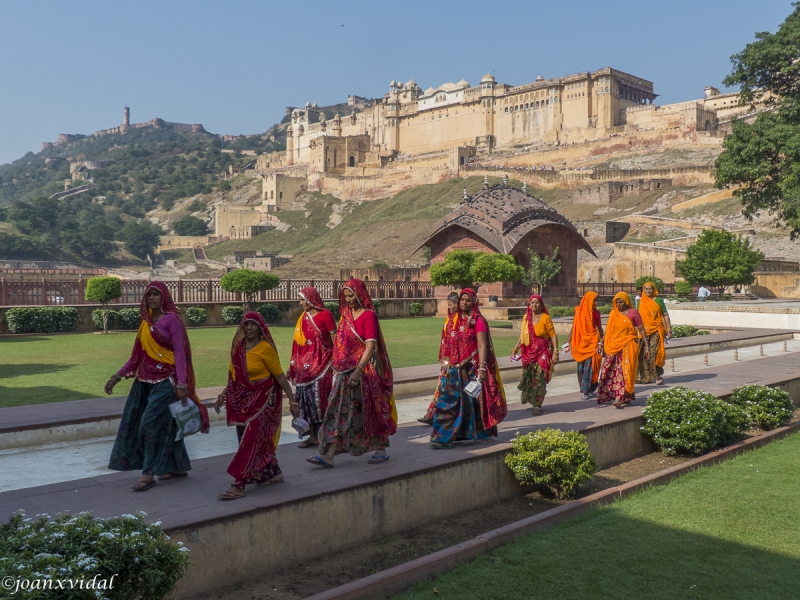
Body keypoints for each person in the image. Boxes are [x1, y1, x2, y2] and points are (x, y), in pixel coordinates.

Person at [105, 281, 210, 492]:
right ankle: (177, 466)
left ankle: (148, 472)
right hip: (144, 381)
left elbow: (180, 353)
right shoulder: (145, 323)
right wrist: (118, 375)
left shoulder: (172, 320)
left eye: (156, 294)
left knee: (149, 422)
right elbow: (137, 355)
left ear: (164, 297)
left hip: (167, 380)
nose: (152, 298)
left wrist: (182, 384)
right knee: (165, 425)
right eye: (149, 295)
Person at [307, 279, 396, 467]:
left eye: (352, 295)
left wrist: (359, 370)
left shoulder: (368, 316)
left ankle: (380, 448)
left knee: (370, 411)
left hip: (362, 373)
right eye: (346, 296)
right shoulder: (345, 316)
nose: (348, 299)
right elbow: (340, 344)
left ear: (360, 295)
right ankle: (329, 454)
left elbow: (370, 345)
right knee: (336, 410)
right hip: (343, 373)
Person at [215, 312, 297, 500]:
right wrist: (223, 394)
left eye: (253, 324)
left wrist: (292, 401)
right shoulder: (239, 348)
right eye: (246, 324)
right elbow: (235, 376)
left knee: (250, 442)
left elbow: (280, 376)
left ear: (261, 328)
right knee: (246, 438)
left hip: (262, 400)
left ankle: (239, 484)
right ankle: (270, 473)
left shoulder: (265, 349)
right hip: (241, 401)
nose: (249, 328)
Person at [429, 288, 507, 448]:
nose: (464, 302)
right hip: (452, 368)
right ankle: (442, 437)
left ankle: (483, 433)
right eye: (462, 299)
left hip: (472, 368)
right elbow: (448, 342)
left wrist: (483, 368)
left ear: (474, 302)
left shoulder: (478, 320)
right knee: (448, 402)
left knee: (474, 403)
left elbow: (482, 344)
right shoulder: (454, 319)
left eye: (467, 300)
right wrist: (445, 363)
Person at [288, 287, 337, 447]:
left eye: (303, 300)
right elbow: (299, 344)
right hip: (305, 368)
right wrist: (293, 366)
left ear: (311, 299)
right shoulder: (303, 317)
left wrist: (337, 361)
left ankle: (325, 436)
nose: (301, 303)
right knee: (305, 401)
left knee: (320, 401)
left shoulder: (325, 315)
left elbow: (335, 339)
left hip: (323, 365)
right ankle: (312, 436)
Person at [597, 292, 648, 409]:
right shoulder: (613, 314)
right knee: (607, 371)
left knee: (624, 372)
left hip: (627, 347)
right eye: (617, 302)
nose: (619, 304)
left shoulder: (633, 313)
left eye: (621, 302)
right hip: (613, 347)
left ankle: (619, 398)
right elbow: (608, 331)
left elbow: (642, 329)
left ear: (626, 301)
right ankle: (613, 396)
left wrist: (647, 346)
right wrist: (601, 343)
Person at [511, 294, 558, 415]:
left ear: (541, 305)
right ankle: (529, 396)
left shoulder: (545, 318)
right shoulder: (527, 317)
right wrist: (516, 348)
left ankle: (538, 404)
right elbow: (523, 334)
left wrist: (555, 352)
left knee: (539, 377)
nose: (534, 305)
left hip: (542, 350)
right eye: (532, 303)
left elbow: (553, 334)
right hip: (528, 352)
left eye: (537, 303)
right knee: (528, 376)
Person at [419, 291, 460, 425]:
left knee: (445, 388)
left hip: (457, 362)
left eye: (451, 305)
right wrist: (442, 357)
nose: (449, 307)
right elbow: (445, 339)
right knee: (442, 387)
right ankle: (434, 414)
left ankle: (437, 414)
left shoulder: (460, 320)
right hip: (447, 360)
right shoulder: (449, 318)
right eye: (448, 305)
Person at [569, 291, 604, 400]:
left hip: (592, 341)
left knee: (590, 367)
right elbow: (574, 327)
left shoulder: (596, 313)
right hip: (580, 342)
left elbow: (599, 328)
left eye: (597, 301)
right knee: (581, 368)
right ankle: (586, 388)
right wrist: (568, 340)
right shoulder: (578, 311)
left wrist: (602, 342)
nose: (596, 303)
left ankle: (586, 390)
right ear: (588, 300)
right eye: (594, 300)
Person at [636, 281, 672, 385]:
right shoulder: (640, 302)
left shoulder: (659, 300)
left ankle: (657, 375)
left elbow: (665, 315)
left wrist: (669, 329)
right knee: (642, 354)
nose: (648, 291)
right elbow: (638, 318)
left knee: (653, 353)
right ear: (643, 290)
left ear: (654, 290)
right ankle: (645, 377)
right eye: (646, 289)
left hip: (656, 329)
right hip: (643, 331)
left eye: (650, 289)